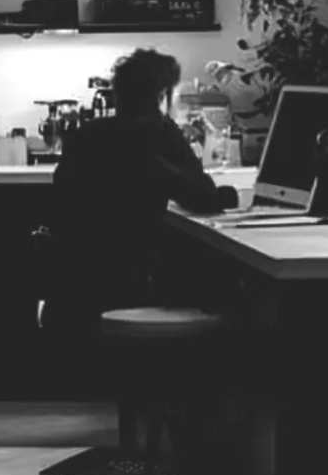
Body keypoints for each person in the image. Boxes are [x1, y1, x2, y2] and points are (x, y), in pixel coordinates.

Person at [42, 48, 238, 338]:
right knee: (235, 291)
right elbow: (202, 197)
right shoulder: (156, 133)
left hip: (70, 293)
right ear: (162, 95)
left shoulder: (87, 136)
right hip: (127, 289)